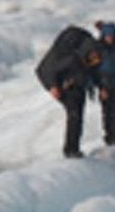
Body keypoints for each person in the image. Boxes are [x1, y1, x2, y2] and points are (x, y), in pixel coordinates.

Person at [36, 29, 102, 158]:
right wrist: (53, 86)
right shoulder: (72, 59)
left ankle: (73, 149)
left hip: (78, 89)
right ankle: (71, 150)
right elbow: (52, 70)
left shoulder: (88, 57)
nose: (95, 58)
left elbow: (90, 73)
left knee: (76, 118)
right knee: (74, 117)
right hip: (68, 89)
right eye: (93, 55)